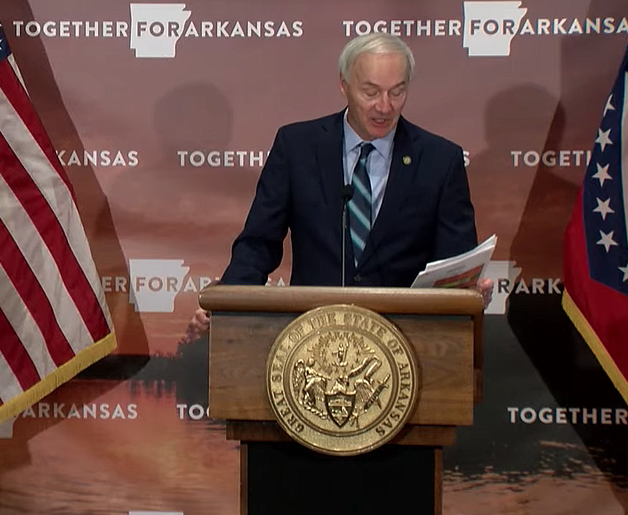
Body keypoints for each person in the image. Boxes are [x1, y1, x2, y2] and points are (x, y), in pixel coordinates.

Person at [188, 32, 492, 339]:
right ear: (344, 85)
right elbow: (258, 244)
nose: (385, 107)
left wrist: (467, 293)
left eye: (397, 92)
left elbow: (455, 262)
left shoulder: (439, 160)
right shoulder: (297, 148)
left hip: (407, 343)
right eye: (371, 92)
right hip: (309, 339)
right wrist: (228, 307)